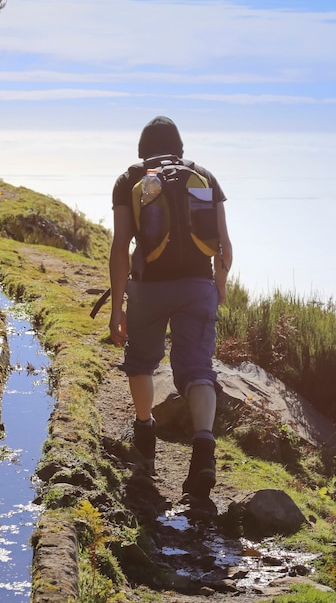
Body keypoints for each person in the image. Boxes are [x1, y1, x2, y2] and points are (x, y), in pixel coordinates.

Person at [108, 116, 233, 499]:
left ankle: (144, 436)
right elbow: (224, 248)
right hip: (198, 287)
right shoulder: (205, 178)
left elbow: (120, 248)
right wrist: (220, 286)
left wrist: (117, 308)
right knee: (198, 369)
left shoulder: (130, 179)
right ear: (180, 148)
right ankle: (204, 450)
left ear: (143, 149)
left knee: (142, 361)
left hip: (149, 289)